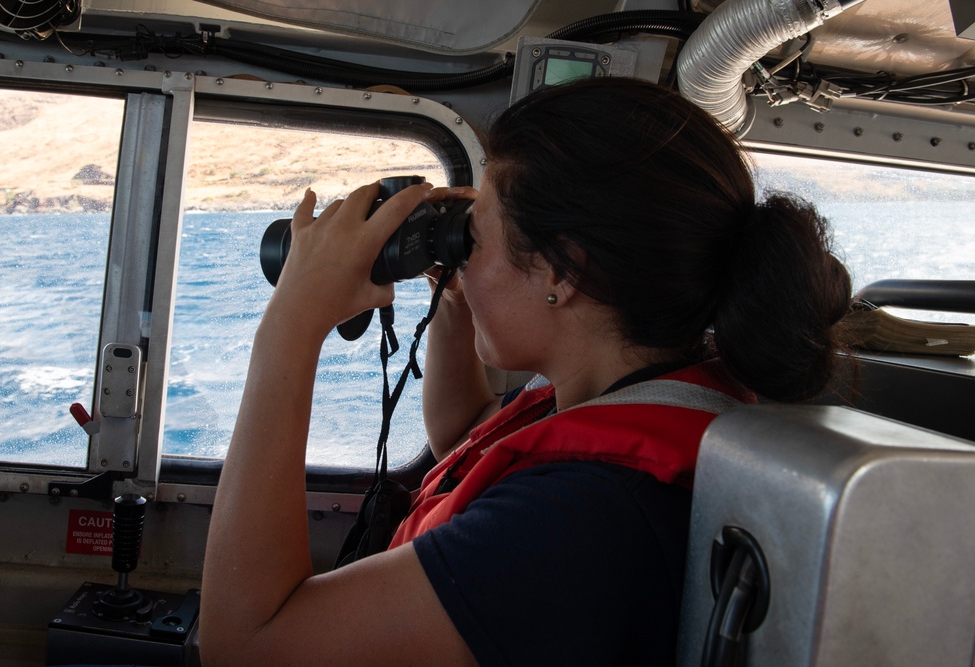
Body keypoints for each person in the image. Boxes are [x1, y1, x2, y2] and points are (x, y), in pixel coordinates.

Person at [200, 77, 851, 666]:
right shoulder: (633, 392)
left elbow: (247, 644)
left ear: (561, 273)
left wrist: (289, 326)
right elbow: (465, 433)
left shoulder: (576, 522)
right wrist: (458, 288)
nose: (466, 252)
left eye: (474, 234)